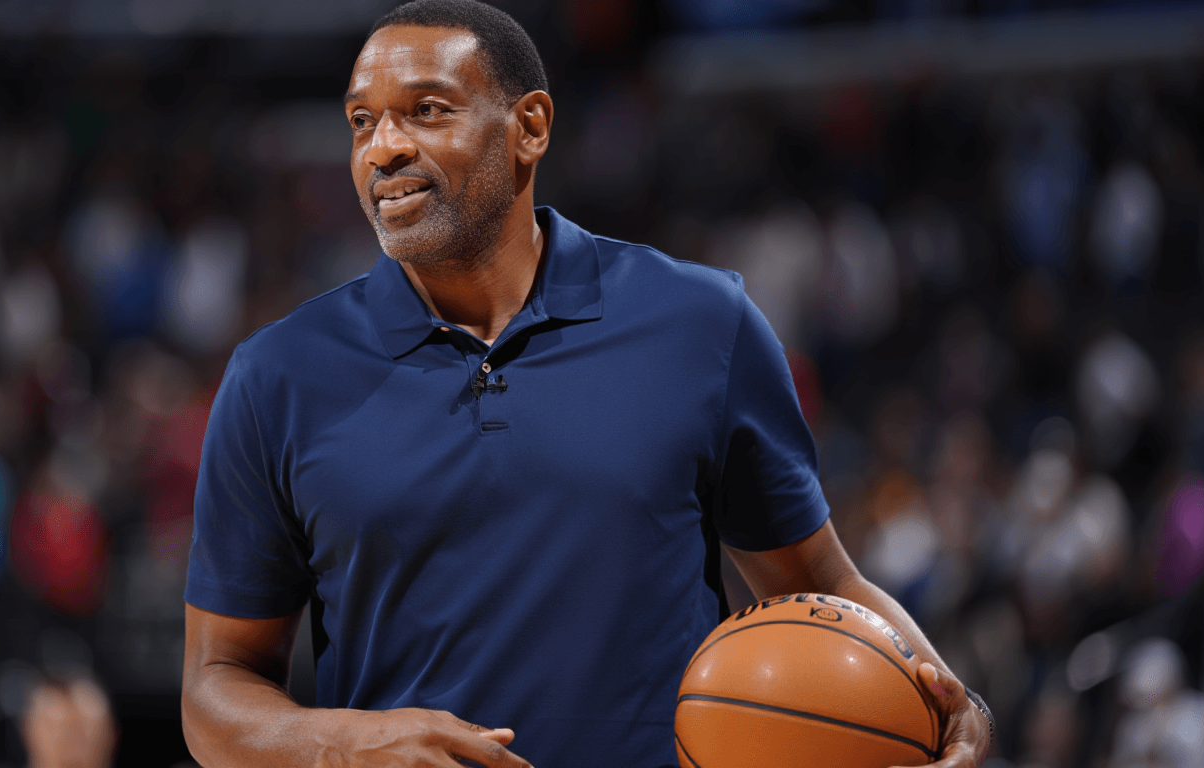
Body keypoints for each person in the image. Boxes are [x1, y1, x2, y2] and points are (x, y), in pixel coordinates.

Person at [179, 1, 994, 766]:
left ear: (529, 128)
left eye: (426, 111)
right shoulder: (276, 375)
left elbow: (823, 589)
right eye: (363, 120)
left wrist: (950, 700)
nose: (382, 146)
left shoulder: (702, 322)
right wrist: (343, 745)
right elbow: (215, 689)